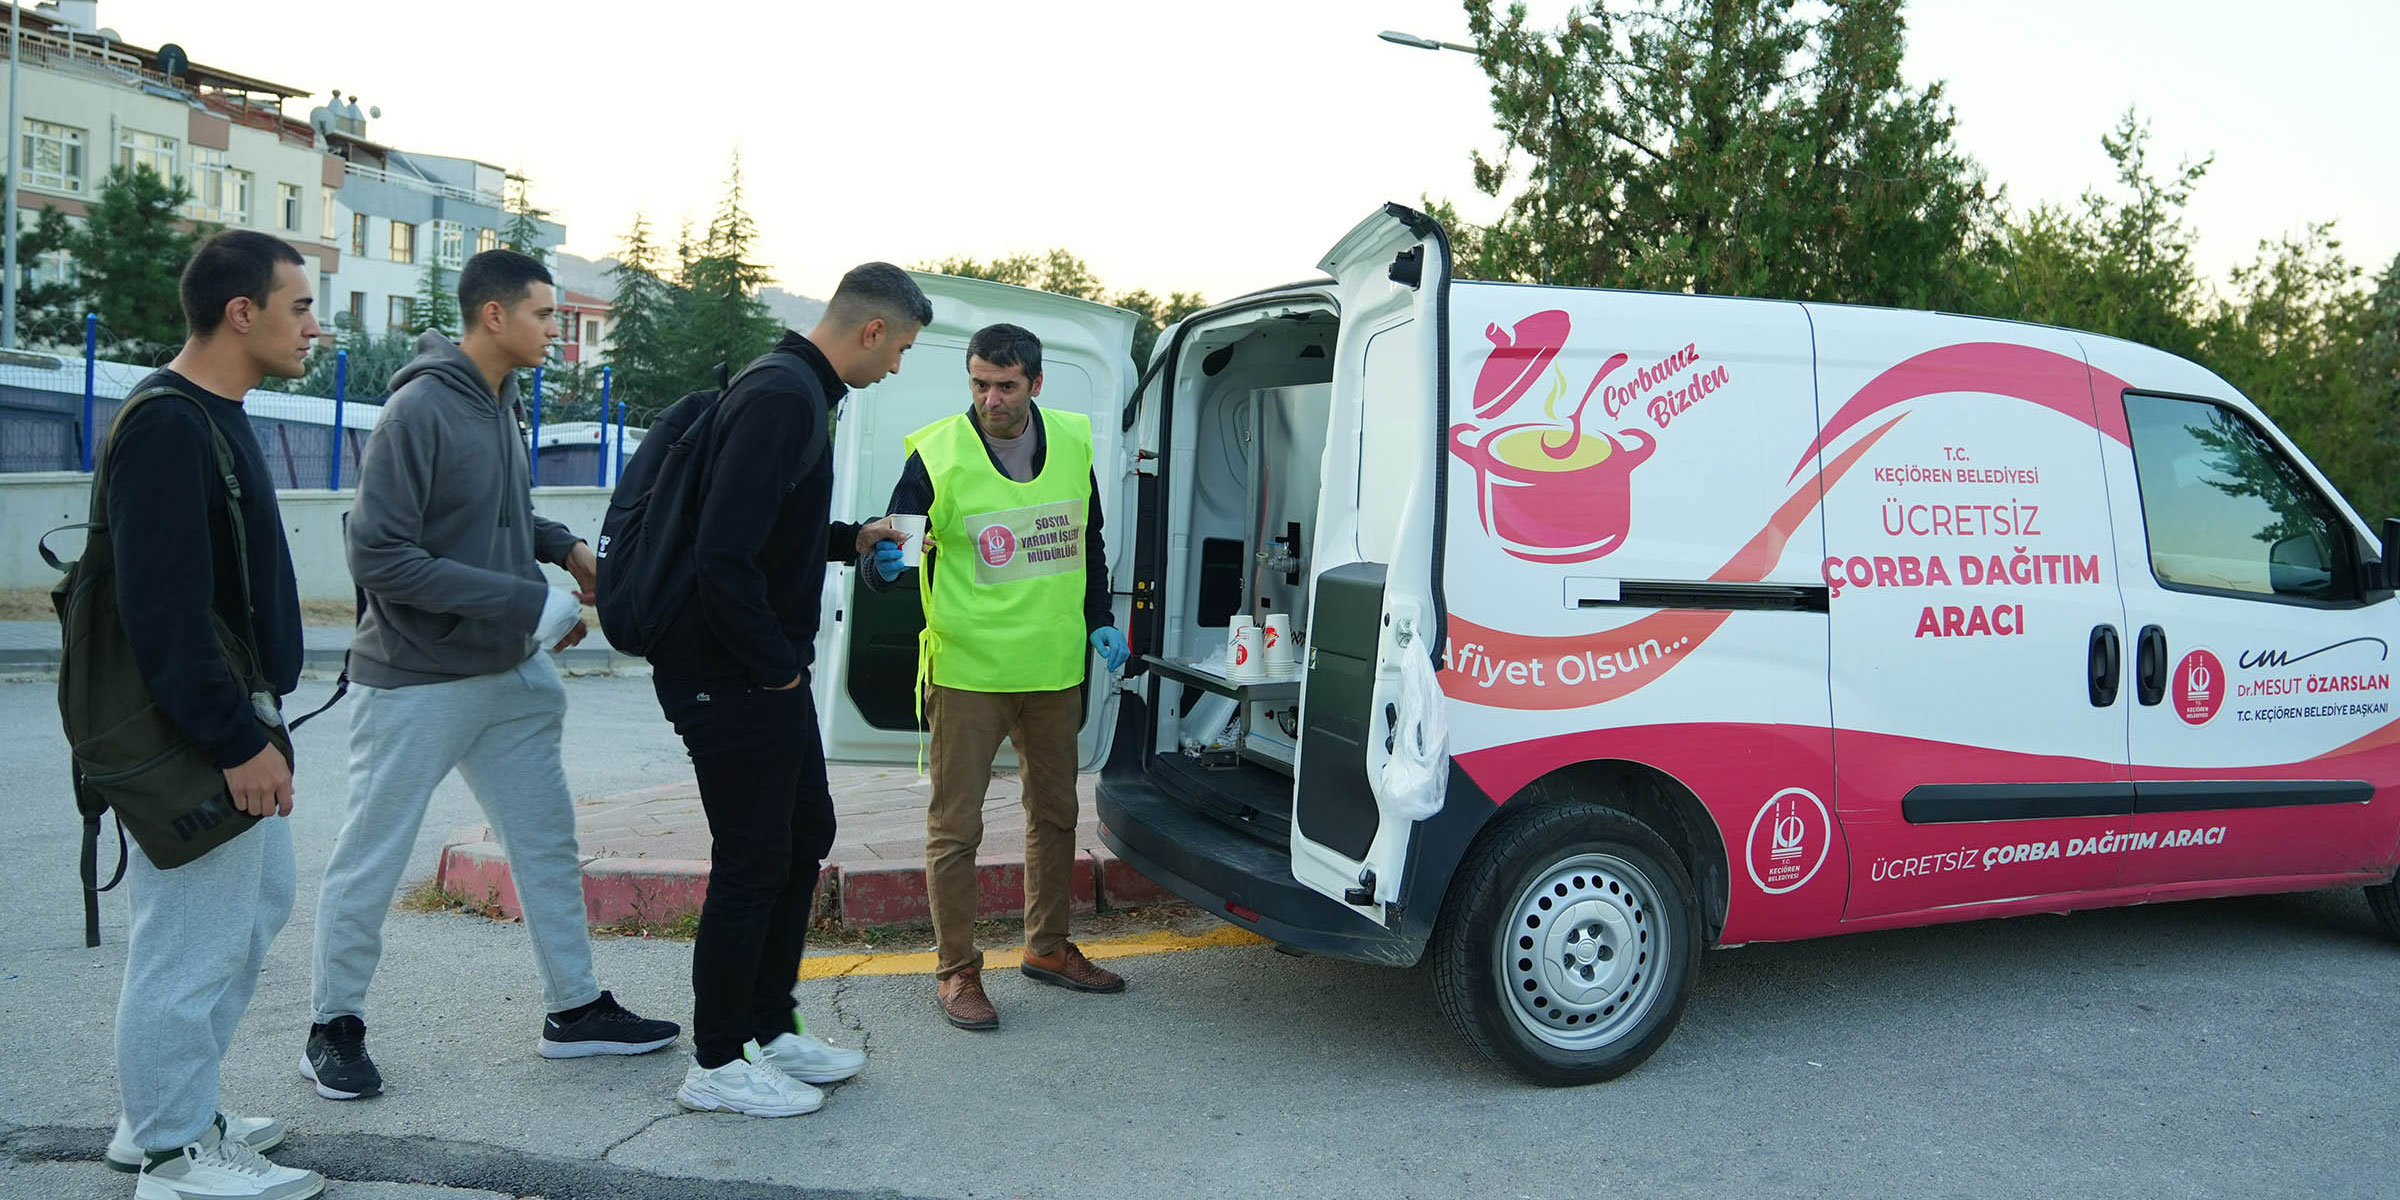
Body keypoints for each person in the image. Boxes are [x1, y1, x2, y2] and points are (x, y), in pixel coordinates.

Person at [304, 249, 677, 1101]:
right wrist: (525, 603)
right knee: (371, 854)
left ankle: (575, 1011)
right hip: (416, 677)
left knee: (546, 845)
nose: (557, 328)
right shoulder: (420, 408)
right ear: (495, 317)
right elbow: (381, 553)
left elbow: (486, 511)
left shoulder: (499, 401)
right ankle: (332, 1028)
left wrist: (561, 545)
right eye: (546, 314)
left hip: (508, 680)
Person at [646, 262, 929, 1117]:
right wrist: (776, 667)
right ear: (870, 330)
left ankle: (770, 1028)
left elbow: (773, 529)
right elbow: (722, 555)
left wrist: (851, 538)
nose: (897, 369)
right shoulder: (783, 395)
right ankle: (718, 1061)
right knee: (754, 859)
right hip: (730, 672)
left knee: (805, 832)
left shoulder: (800, 390)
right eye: (902, 350)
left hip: (758, 670)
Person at [99, 230, 326, 1198]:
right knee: (189, 939)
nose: (314, 325)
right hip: (203, 730)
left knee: (247, 914)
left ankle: (166, 1110)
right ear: (244, 312)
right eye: (301, 306)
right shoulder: (168, 423)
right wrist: (234, 739)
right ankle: (170, 1155)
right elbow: (163, 611)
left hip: (243, 716)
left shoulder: (217, 412)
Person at [864, 322, 1132, 1032]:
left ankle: (1045, 949)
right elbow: (891, 545)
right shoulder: (938, 453)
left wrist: (1100, 615)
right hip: (968, 671)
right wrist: (882, 567)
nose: (990, 398)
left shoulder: (1072, 442)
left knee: (1055, 815)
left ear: (1036, 384)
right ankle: (957, 971)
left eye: (1005, 385)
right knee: (956, 829)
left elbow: (1088, 535)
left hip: (1050, 666)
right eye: (979, 383)